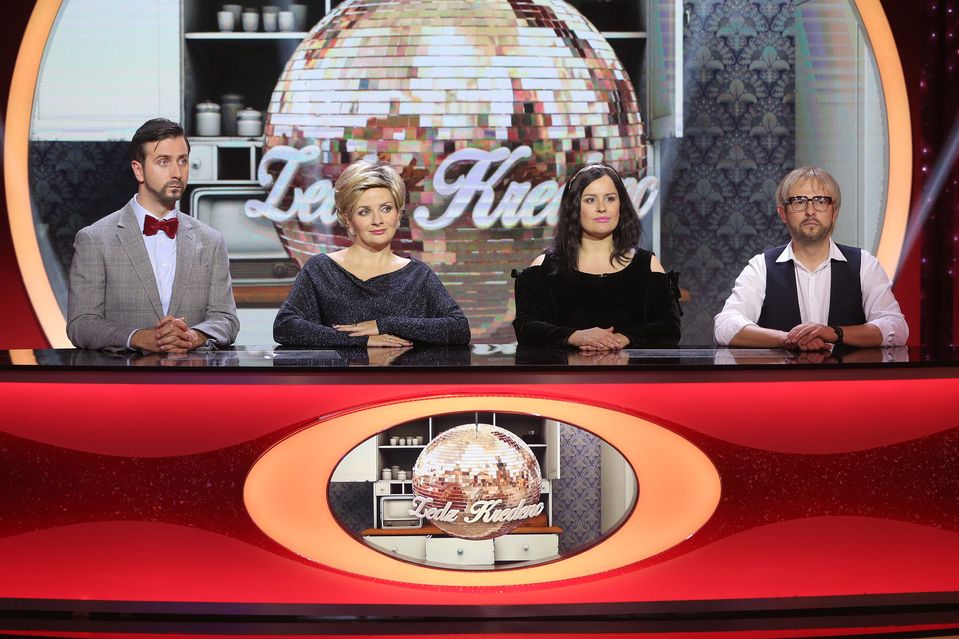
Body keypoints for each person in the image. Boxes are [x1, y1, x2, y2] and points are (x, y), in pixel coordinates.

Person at [67, 118, 239, 352]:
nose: (177, 172)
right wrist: (139, 337)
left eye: (182, 161)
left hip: (192, 372)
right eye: (163, 162)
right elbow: (81, 324)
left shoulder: (211, 241)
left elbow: (226, 319)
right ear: (139, 170)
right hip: (124, 374)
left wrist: (193, 336)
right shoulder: (95, 240)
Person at [273, 160, 470, 347]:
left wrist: (385, 324)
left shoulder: (417, 275)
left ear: (398, 214)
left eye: (386, 209)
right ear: (348, 219)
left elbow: (459, 329)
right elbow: (285, 326)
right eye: (364, 212)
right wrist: (360, 341)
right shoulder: (321, 270)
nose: (377, 220)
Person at [713, 166, 908, 350]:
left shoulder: (865, 264)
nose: (810, 211)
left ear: (834, 213)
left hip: (847, 375)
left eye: (821, 201)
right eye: (799, 201)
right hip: (783, 375)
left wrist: (835, 333)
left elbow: (897, 328)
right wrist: (787, 339)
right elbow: (725, 325)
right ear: (783, 213)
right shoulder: (761, 266)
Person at [512, 163, 682, 349]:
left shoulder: (647, 265)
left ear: (621, 205)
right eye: (590, 200)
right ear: (573, 207)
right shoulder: (545, 267)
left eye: (610, 199)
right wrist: (574, 337)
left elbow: (669, 329)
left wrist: (623, 339)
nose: (602, 208)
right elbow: (526, 328)